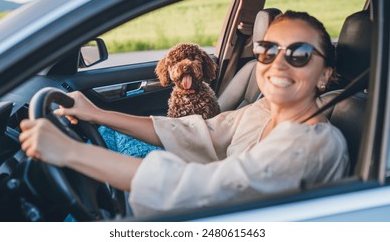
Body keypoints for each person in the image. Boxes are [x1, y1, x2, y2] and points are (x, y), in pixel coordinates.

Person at [19, 11, 349, 217]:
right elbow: (193, 131)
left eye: (300, 53)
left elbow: (200, 186)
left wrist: (72, 152)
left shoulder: (311, 145)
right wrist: (97, 114)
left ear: (324, 75)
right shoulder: (261, 110)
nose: (278, 62)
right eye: (268, 50)